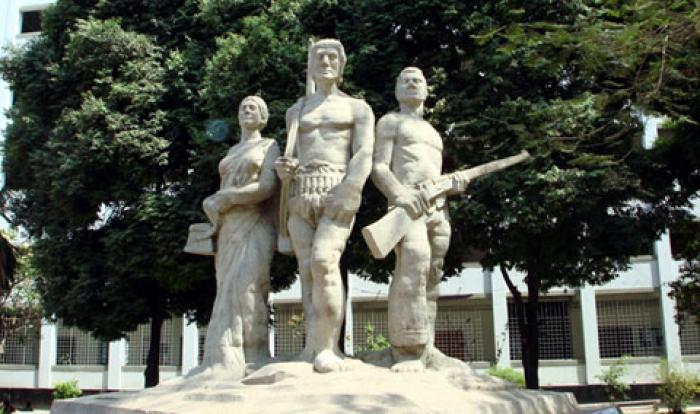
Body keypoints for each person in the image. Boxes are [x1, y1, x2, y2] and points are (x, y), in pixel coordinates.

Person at [275, 39, 374, 373]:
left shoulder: (357, 108)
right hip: (299, 194)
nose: (326, 61)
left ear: (341, 65)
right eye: (320, 56)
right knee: (306, 271)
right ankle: (312, 346)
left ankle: (329, 349)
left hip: (336, 190)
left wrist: (352, 188)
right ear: (311, 65)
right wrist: (284, 168)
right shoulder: (295, 111)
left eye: (333, 57)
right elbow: (292, 155)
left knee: (323, 262)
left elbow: (363, 153)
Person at [371, 67, 468, 372]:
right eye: (405, 80)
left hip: (438, 208)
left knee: (432, 275)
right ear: (396, 89)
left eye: (418, 80)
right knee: (413, 261)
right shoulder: (390, 122)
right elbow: (379, 167)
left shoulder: (433, 132)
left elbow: (436, 174)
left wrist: (455, 185)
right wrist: (400, 195)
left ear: (426, 90)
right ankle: (406, 348)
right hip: (408, 205)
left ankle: (427, 347)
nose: (412, 84)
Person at [199, 96, 279, 378]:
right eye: (243, 107)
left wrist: (230, 197)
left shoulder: (269, 146)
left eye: (253, 107)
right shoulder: (233, 150)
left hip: (255, 221)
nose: (247, 110)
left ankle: (254, 353)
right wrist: (215, 203)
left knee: (249, 285)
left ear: (263, 117)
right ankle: (223, 355)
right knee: (226, 286)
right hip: (228, 225)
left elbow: (267, 187)